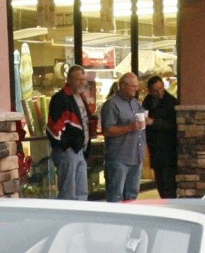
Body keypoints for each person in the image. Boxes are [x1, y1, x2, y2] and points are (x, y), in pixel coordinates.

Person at [46, 65, 93, 200]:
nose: (82, 82)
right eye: (78, 79)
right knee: (68, 193)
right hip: (69, 151)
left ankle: (80, 219)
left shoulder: (80, 97)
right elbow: (52, 128)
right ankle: (66, 220)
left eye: (83, 79)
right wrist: (66, 146)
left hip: (80, 150)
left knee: (82, 192)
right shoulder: (60, 98)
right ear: (69, 79)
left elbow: (82, 120)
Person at [100, 71, 147, 201]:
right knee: (115, 195)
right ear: (123, 85)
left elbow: (141, 121)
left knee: (132, 195)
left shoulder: (135, 103)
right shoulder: (111, 104)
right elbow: (107, 130)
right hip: (119, 157)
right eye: (133, 86)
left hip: (136, 155)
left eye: (137, 86)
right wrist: (130, 127)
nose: (136, 89)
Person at [143, 74, 179, 199]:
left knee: (168, 183)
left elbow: (174, 125)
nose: (159, 92)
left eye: (161, 88)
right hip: (155, 148)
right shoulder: (147, 101)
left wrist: (154, 122)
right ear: (149, 91)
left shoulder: (171, 102)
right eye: (155, 90)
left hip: (168, 149)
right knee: (160, 182)